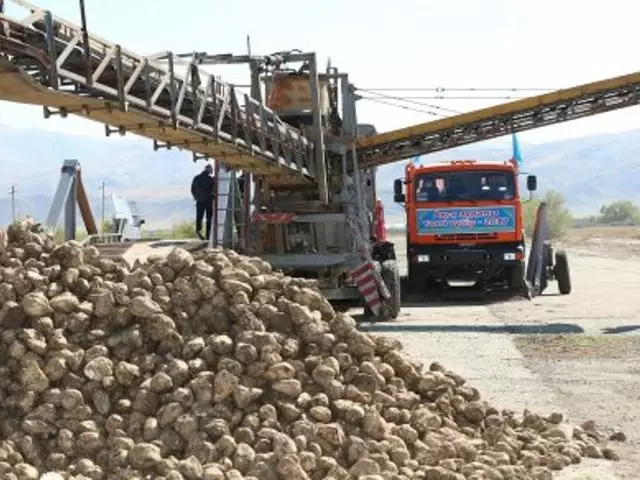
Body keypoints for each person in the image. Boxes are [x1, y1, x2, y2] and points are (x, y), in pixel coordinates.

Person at [191, 163, 216, 240]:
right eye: (211, 170)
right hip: (208, 201)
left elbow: (192, 189)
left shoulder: (196, 178)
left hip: (199, 201)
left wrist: (196, 197)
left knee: (199, 217)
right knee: (209, 218)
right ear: (209, 170)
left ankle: (198, 230)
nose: (212, 171)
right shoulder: (210, 180)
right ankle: (208, 235)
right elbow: (214, 191)